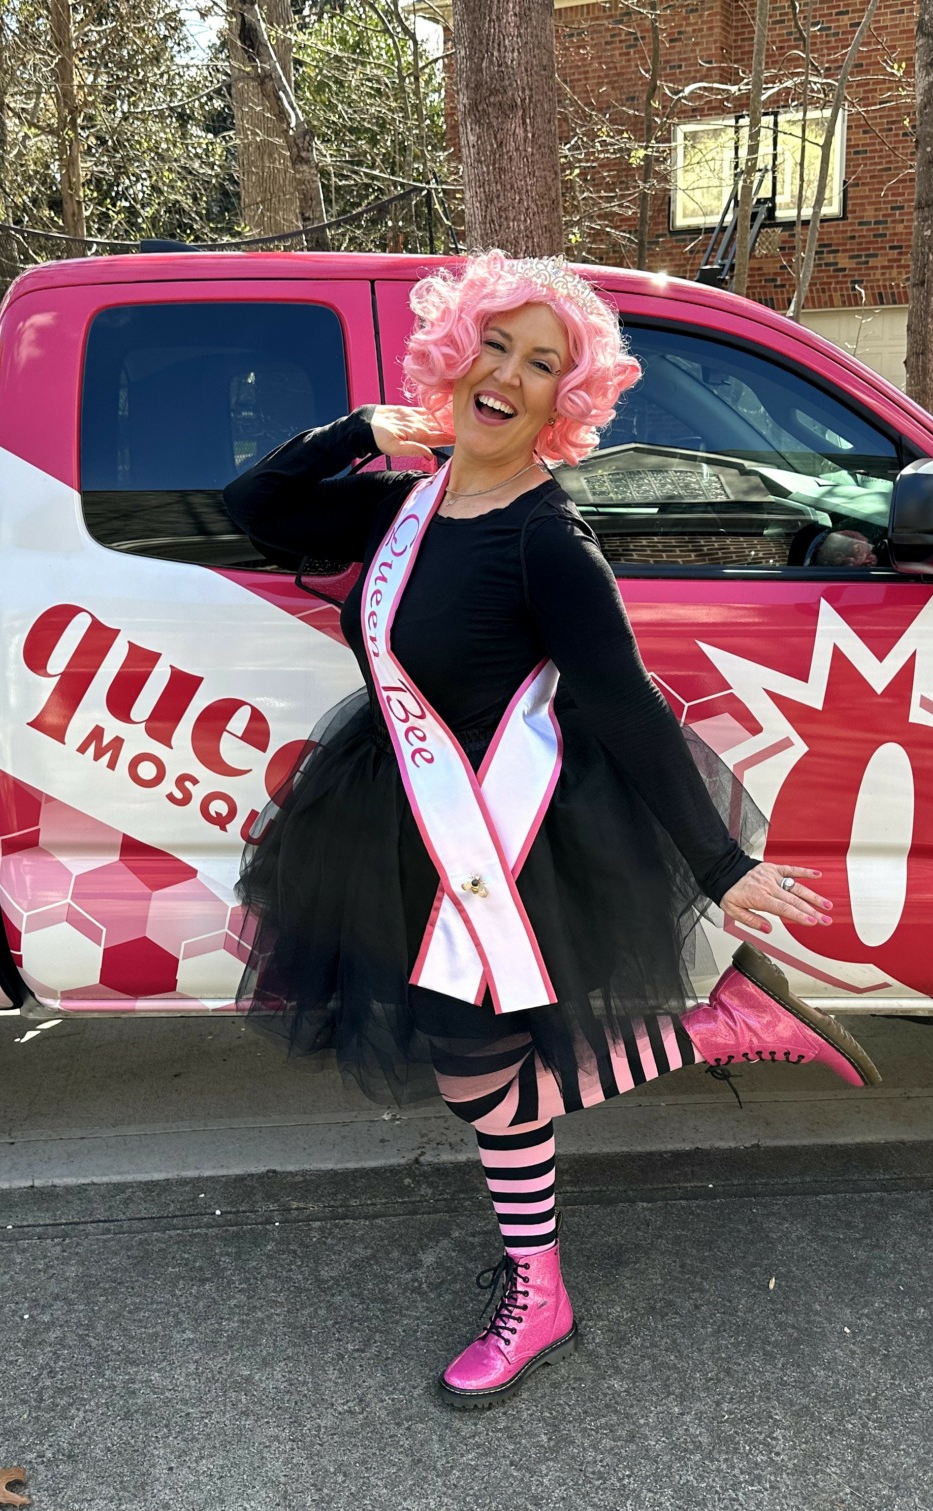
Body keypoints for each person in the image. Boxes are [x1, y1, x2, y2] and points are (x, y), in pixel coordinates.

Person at [223, 249, 879, 1409]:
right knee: (473, 1072)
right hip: (400, 822)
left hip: (502, 843)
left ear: (562, 401)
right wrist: (362, 429)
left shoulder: (545, 540)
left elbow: (625, 705)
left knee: (478, 1074)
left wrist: (719, 866)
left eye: (540, 364)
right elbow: (252, 509)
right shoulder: (402, 503)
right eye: (493, 345)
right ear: (453, 353)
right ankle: (705, 1047)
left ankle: (554, 1272)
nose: (506, 375)